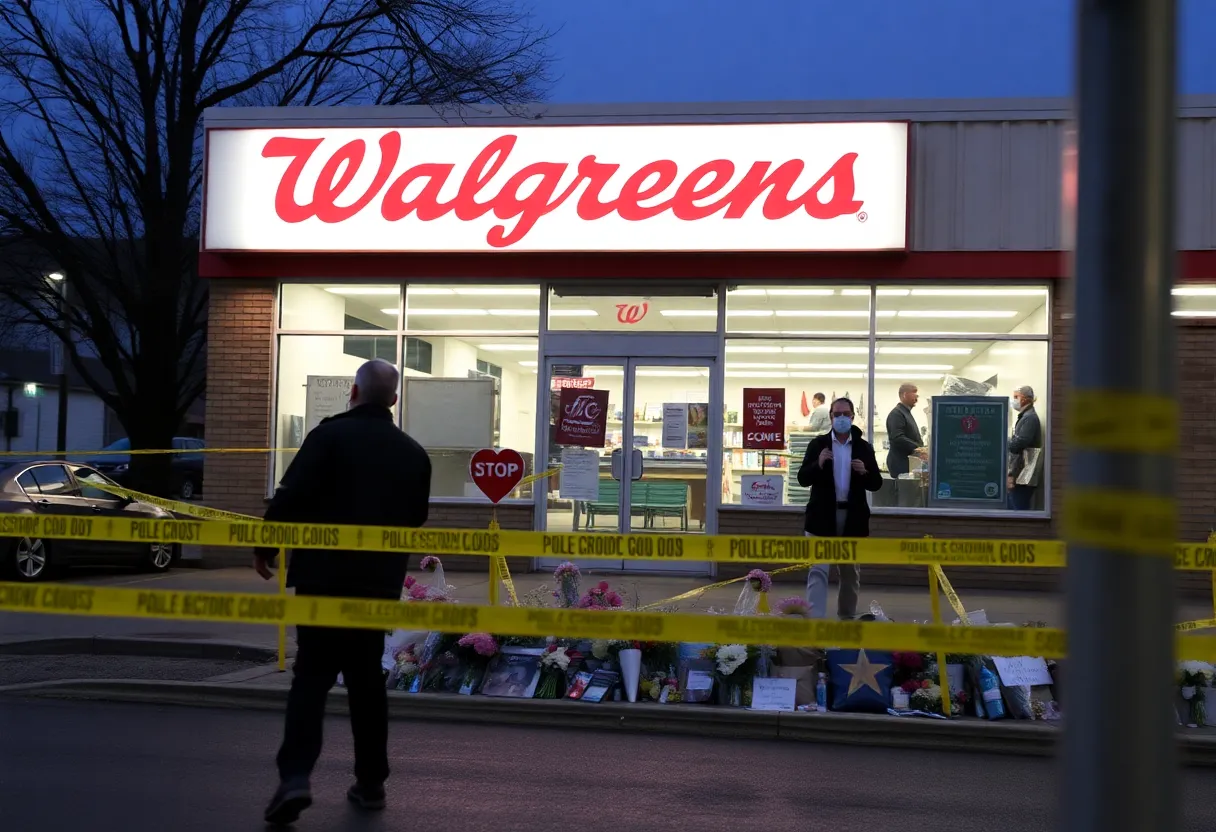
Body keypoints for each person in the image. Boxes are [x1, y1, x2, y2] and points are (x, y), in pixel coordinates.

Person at [255, 358, 432, 826]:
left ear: (353, 393)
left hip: (322, 579)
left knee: (311, 679)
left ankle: (295, 777)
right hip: (377, 584)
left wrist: (265, 546)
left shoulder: (327, 437)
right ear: (394, 400)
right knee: (367, 682)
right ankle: (371, 783)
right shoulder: (413, 453)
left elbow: (290, 496)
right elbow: (416, 517)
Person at [797, 397, 883, 619]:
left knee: (850, 573)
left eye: (846, 414)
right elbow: (802, 479)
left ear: (852, 417)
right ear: (831, 417)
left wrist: (864, 472)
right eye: (837, 414)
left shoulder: (863, 447)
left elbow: (876, 484)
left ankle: (846, 619)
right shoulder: (818, 445)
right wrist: (818, 463)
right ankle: (815, 621)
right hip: (821, 516)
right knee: (818, 570)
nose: (841, 418)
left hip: (852, 517)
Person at [1007, 385, 1043, 511]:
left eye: (1016, 397)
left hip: (1024, 474)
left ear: (1025, 399)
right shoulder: (1025, 417)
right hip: (1021, 473)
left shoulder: (1030, 418)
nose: (1014, 400)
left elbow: (1018, 444)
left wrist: (1006, 441)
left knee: (1018, 508)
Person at [885, 383, 926, 477]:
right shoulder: (897, 414)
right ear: (904, 395)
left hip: (907, 462)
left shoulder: (905, 413)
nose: (917, 396)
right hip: (900, 463)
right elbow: (897, 437)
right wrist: (919, 448)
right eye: (914, 392)